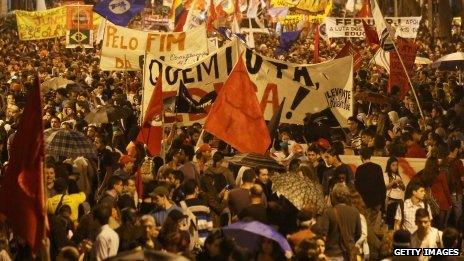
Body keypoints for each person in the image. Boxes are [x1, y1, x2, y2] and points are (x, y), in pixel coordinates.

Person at [313, 183, 361, 260]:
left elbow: (322, 232)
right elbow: (359, 233)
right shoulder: (355, 212)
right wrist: (350, 242)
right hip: (349, 254)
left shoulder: (329, 212)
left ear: (333, 197)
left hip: (332, 254)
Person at [354, 148, 386, 228]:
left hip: (365, 202)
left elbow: (357, 187)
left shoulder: (359, 169)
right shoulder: (378, 167)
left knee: (364, 225)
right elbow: (382, 186)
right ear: (370, 156)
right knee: (371, 225)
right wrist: (382, 204)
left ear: (361, 157)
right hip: (376, 201)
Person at [440, 140, 464, 230]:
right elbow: (462, 179)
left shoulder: (443, 161)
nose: (462, 150)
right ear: (456, 150)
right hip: (456, 192)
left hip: (445, 192)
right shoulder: (458, 162)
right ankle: (458, 234)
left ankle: (443, 232)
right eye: (461, 148)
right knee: (458, 214)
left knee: (446, 214)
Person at [383, 157, 406, 230]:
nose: (395, 167)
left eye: (396, 165)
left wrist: (401, 184)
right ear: (389, 166)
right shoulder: (386, 175)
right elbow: (385, 187)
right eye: (393, 165)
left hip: (400, 200)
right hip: (391, 200)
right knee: (391, 222)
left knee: (400, 221)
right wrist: (393, 182)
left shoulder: (398, 176)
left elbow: (403, 188)